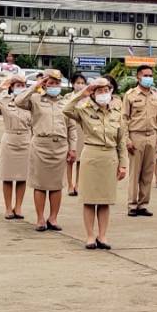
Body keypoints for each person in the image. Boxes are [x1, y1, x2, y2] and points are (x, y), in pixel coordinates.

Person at [65, 78, 126, 248]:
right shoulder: (85, 110)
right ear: (93, 93)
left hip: (110, 157)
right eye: (99, 91)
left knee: (105, 200)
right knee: (90, 199)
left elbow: (121, 140)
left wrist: (123, 164)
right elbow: (67, 109)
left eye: (106, 90)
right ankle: (90, 236)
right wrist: (82, 93)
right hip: (92, 155)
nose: (103, 94)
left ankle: (103, 235)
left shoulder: (116, 111)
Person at [16, 70, 74, 232]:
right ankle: (40, 218)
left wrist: (73, 148)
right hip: (41, 144)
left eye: (57, 83)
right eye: (51, 83)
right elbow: (18, 101)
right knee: (40, 185)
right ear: (45, 83)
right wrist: (35, 87)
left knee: (56, 185)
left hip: (60, 145)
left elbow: (72, 128)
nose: (54, 86)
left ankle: (53, 218)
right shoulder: (35, 99)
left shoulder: (65, 102)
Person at [0, 75, 32, 221]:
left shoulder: (30, 103)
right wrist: (1, 87)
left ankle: (18, 207)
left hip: (26, 139)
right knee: (7, 176)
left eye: (23, 85)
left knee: (22, 177)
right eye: (17, 85)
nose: (21, 87)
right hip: (10, 139)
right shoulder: (5, 102)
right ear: (12, 87)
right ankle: (7, 208)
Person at [121, 66, 157, 217]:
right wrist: (127, 139)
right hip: (135, 136)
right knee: (135, 172)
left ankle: (143, 204)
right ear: (138, 77)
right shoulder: (130, 95)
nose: (149, 78)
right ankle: (132, 205)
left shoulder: (156, 95)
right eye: (145, 75)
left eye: (151, 75)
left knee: (147, 173)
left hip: (152, 135)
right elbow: (124, 118)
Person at [66, 73, 88, 197]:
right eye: (78, 83)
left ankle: (78, 184)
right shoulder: (68, 97)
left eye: (82, 83)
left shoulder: (88, 99)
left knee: (81, 159)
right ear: (73, 84)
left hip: (83, 130)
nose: (80, 85)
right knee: (70, 159)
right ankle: (69, 184)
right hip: (70, 129)